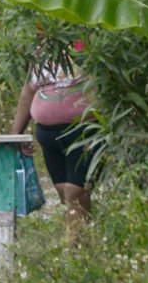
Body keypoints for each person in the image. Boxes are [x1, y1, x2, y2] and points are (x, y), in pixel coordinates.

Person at [10, 56, 96, 229]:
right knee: (64, 192)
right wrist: (16, 134)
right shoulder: (42, 56)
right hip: (49, 136)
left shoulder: (87, 50)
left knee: (75, 192)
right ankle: (83, 244)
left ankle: (75, 250)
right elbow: (28, 92)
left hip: (83, 131)